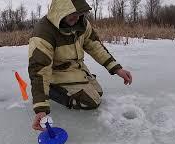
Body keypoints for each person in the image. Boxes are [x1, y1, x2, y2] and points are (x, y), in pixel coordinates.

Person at [28, 0, 132, 131]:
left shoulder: (81, 23)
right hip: (56, 72)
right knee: (91, 101)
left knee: (98, 93)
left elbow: (95, 46)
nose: (77, 17)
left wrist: (117, 69)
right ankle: (53, 90)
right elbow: (39, 69)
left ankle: (66, 86)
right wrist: (41, 108)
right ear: (61, 10)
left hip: (76, 67)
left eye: (80, 13)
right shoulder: (44, 32)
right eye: (73, 13)